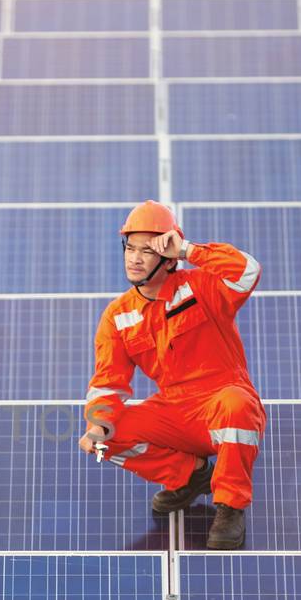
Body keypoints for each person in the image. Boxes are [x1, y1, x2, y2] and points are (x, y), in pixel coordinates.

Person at [77, 200, 265, 550]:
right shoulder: (117, 316)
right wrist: (99, 425)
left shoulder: (202, 288)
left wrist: (189, 250)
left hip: (222, 401)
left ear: (167, 257)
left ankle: (230, 506)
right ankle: (192, 475)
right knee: (106, 436)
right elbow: (107, 384)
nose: (134, 258)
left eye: (147, 250)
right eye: (130, 248)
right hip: (176, 413)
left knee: (237, 405)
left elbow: (248, 271)